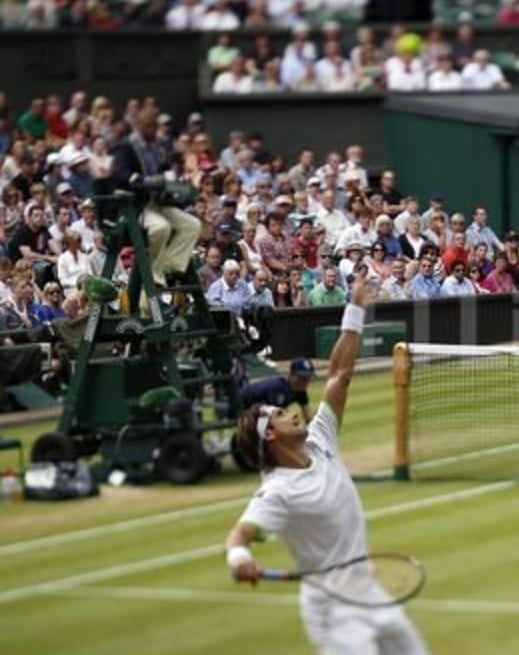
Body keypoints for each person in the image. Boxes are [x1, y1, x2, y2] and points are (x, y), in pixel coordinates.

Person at [224, 276, 430, 655]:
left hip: (369, 591)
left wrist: (355, 310)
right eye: (281, 416)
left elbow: (339, 375)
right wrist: (241, 559)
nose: (291, 415)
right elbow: (239, 536)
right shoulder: (276, 492)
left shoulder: (321, 440)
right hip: (333, 609)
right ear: (270, 435)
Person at [110, 108, 202, 287]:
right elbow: (120, 174)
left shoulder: (156, 147)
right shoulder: (126, 146)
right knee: (161, 228)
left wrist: (176, 183)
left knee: (192, 225)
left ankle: (167, 267)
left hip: (158, 202)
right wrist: (144, 180)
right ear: (141, 126)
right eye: (150, 127)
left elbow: (164, 172)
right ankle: (152, 271)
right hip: (136, 205)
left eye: (155, 126)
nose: (154, 130)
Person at [238, 357, 316, 422]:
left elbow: (308, 416)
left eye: (308, 378)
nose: (305, 382)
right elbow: (274, 420)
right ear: (291, 374)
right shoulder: (278, 388)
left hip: (256, 410)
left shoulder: (300, 391)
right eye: (301, 377)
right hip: (239, 404)